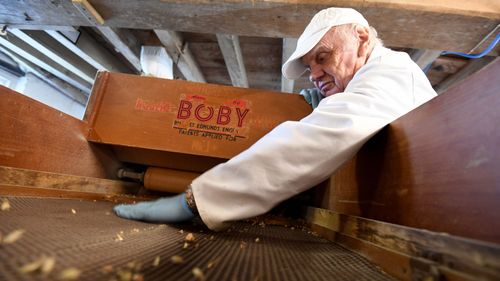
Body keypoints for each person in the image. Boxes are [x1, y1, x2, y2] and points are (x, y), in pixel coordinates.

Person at [114, 7, 437, 230]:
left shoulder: (392, 71)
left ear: (362, 38)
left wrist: (195, 201)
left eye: (323, 58)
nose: (315, 75)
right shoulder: (369, 80)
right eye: (310, 68)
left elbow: (312, 141)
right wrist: (329, 103)